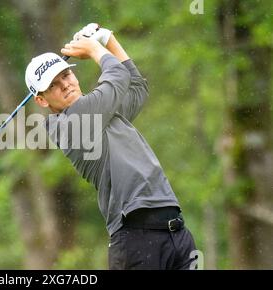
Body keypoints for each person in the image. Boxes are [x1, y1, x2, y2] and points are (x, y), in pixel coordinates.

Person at [24, 23, 198, 270]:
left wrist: (108, 39)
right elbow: (118, 77)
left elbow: (136, 87)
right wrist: (95, 49)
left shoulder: (103, 112)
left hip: (176, 232)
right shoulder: (69, 124)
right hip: (135, 238)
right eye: (52, 85)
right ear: (41, 100)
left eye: (66, 75)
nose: (65, 84)